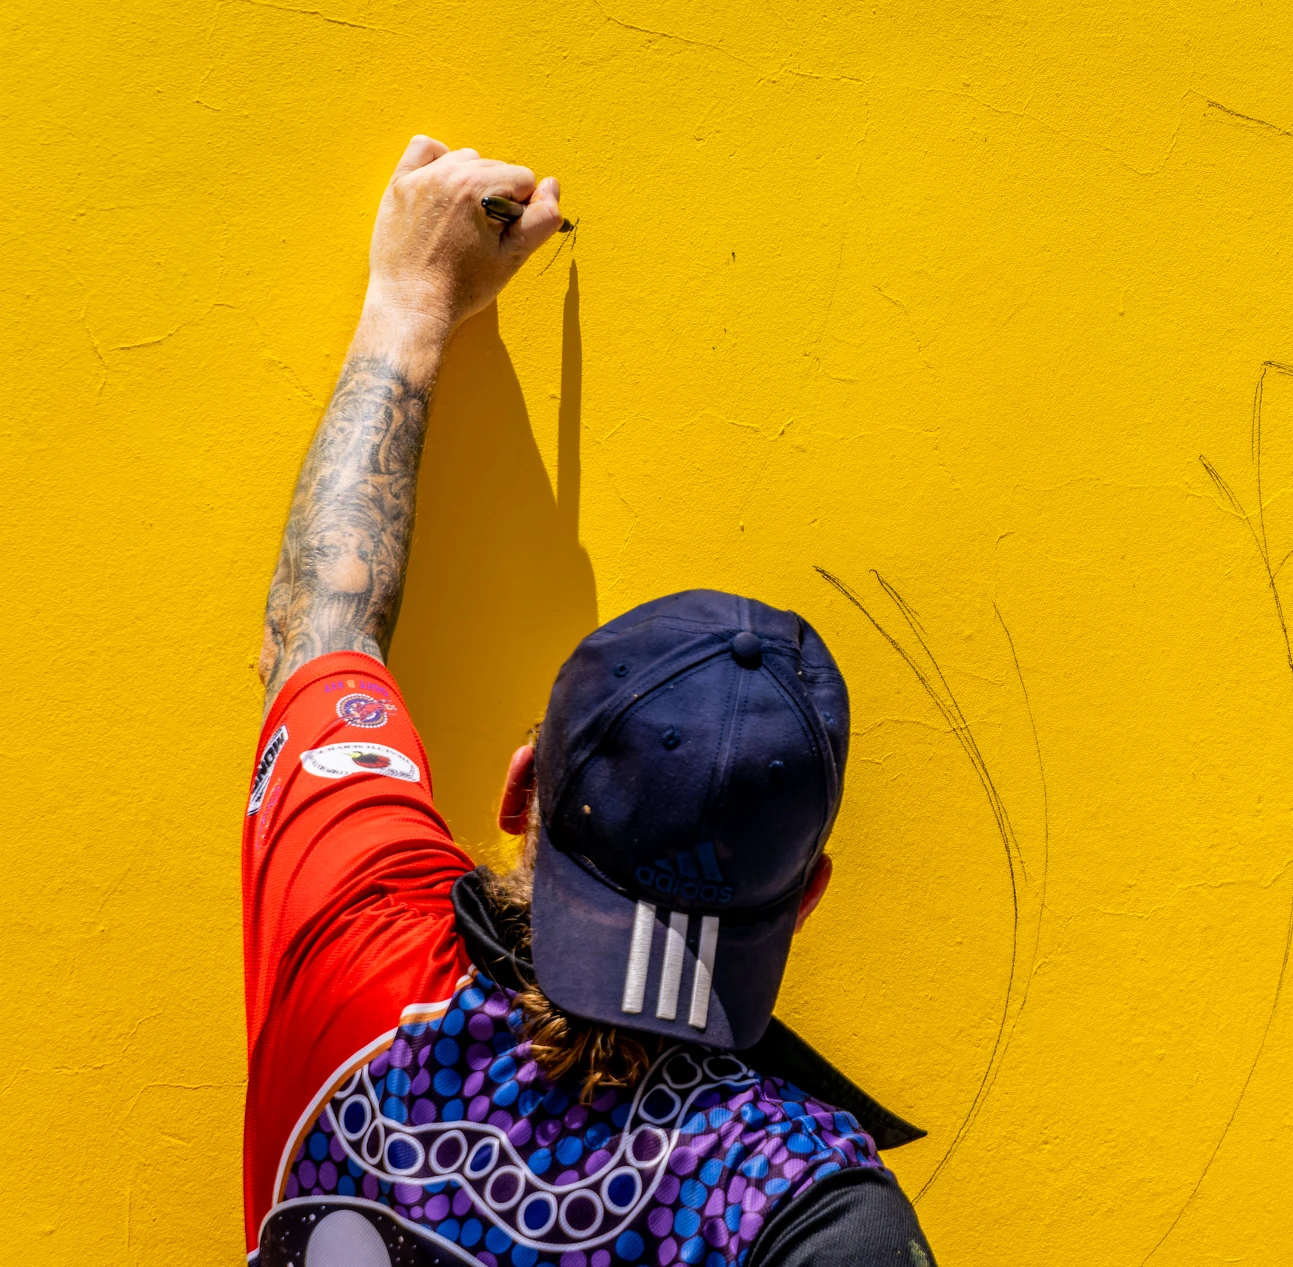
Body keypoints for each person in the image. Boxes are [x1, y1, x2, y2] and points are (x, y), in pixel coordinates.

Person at [242, 135, 935, 1267]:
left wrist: (411, 302)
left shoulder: (352, 936)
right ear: (803, 896)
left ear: (524, 792)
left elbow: (318, 625)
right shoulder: (798, 1209)